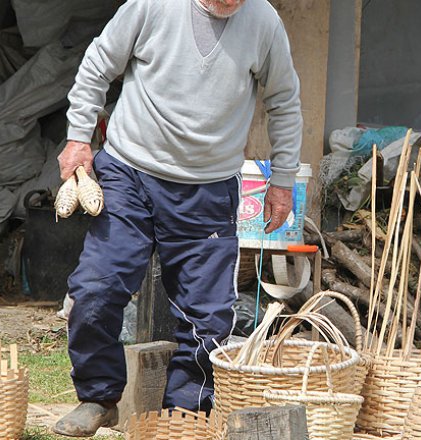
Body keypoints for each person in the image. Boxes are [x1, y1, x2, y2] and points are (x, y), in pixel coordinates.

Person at [52, 0, 302, 436]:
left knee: (207, 316)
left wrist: (282, 180)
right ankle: (98, 396)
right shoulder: (151, 5)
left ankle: (183, 416)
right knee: (96, 288)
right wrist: (78, 138)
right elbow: (96, 65)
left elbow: (284, 101)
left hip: (208, 188)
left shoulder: (263, 20)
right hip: (129, 172)